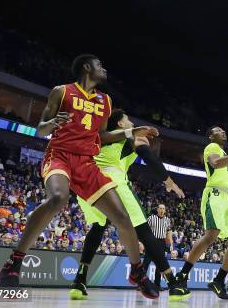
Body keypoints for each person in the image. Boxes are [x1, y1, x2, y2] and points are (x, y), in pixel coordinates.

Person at [0, 54, 160, 299]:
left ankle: (136, 271)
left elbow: (102, 137)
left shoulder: (105, 101)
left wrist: (130, 132)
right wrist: (53, 122)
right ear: (87, 68)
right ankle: (14, 262)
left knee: (122, 217)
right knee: (58, 198)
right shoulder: (61, 92)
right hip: (60, 155)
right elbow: (41, 129)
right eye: (99, 65)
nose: (104, 69)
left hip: (87, 162)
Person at [69, 109, 188, 301]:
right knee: (144, 232)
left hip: (88, 183)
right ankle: (173, 284)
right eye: (128, 120)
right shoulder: (130, 137)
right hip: (112, 181)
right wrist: (169, 181)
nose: (132, 123)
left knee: (98, 228)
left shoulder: (100, 138)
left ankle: (79, 281)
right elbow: (148, 156)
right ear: (120, 125)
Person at [174, 126, 228, 300]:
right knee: (212, 235)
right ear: (211, 136)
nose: (223, 131)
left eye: (224, 130)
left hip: (227, 196)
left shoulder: (224, 154)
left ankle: (219, 280)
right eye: (218, 130)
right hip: (214, 194)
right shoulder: (212, 149)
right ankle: (182, 275)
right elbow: (216, 163)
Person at [142, 204, 170, 288]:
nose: (162, 210)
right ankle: (141, 283)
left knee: (160, 265)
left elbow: (168, 232)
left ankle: (157, 285)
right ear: (157, 210)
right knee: (146, 263)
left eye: (163, 209)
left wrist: (169, 244)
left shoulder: (167, 220)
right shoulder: (151, 218)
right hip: (152, 241)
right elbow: (145, 229)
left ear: (165, 210)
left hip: (162, 243)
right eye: (160, 208)